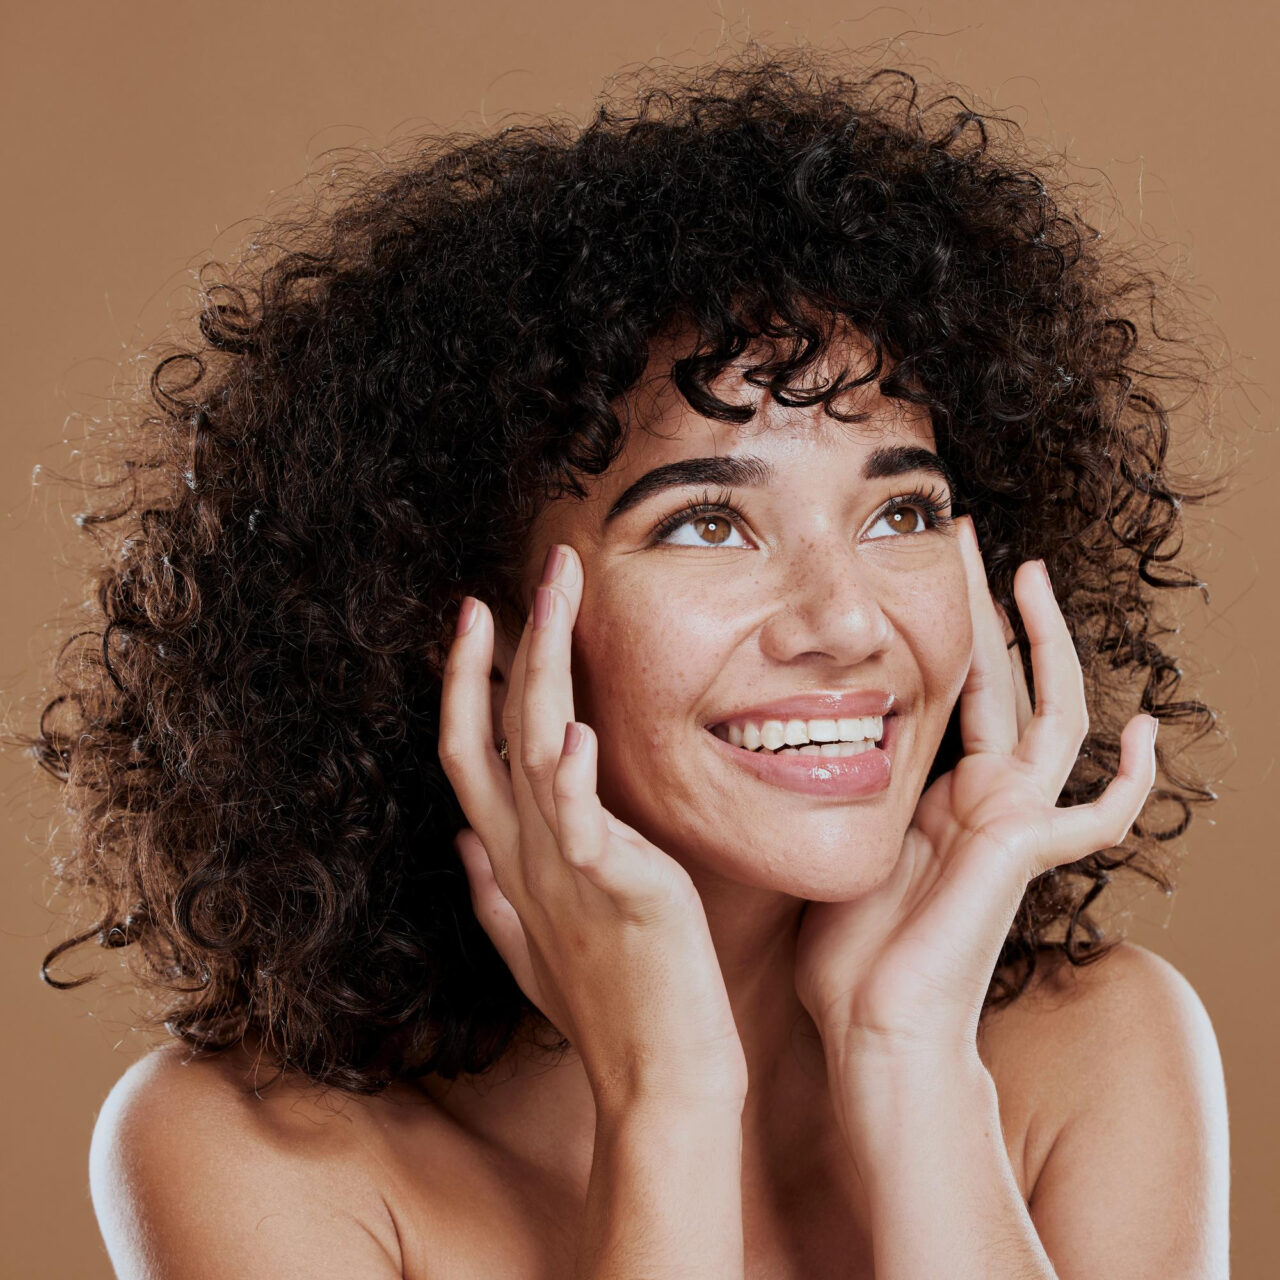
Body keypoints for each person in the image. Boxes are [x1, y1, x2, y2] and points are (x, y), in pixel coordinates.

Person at [32, 46, 1229, 1278]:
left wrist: (907, 1054)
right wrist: (667, 1096)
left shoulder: (1091, 1050)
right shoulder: (251, 1153)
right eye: (707, 522)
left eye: (901, 513)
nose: (848, 621)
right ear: (466, 628)